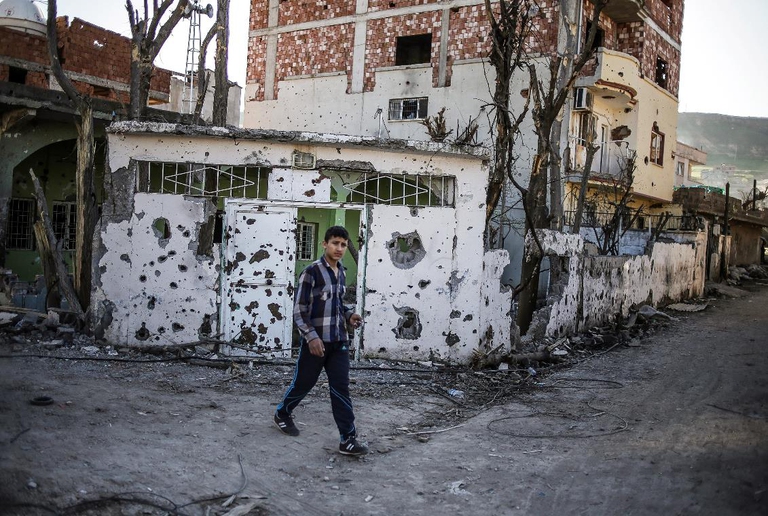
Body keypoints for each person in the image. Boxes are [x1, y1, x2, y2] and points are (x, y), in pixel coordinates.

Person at [273, 225, 368, 456]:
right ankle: (283, 413)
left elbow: (337, 304)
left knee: (341, 388)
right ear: (324, 244)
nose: (339, 248)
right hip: (316, 344)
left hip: (338, 341)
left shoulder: (342, 271)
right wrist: (311, 337)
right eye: (335, 243)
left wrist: (349, 315)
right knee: (303, 383)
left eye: (343, 244)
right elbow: (299, 310)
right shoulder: (311, 272)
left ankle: (348, 439)